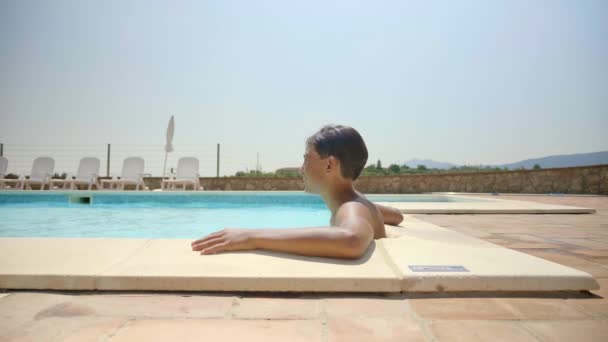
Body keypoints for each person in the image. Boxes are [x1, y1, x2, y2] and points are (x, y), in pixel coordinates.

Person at [191, 124, 404, 259]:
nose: (301, 168)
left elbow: (352, 239)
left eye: (306, 159)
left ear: (330, 165)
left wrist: (251, 236)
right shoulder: (358, 204)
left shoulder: (351, 209)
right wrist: (375, 214)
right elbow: (396, 215)